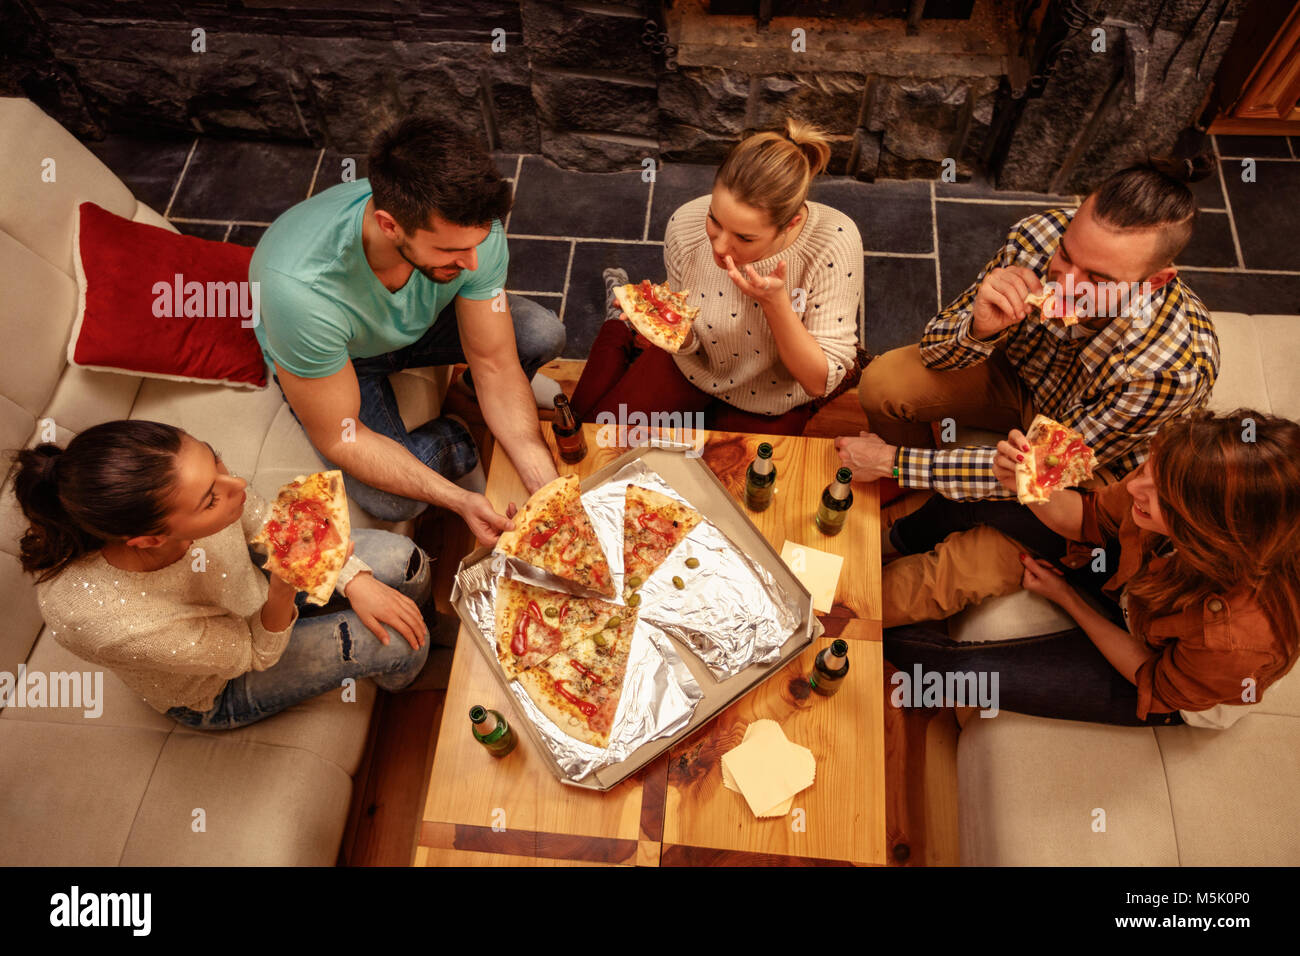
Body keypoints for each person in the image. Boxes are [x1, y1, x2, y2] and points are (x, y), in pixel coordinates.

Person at [836, 159, 1220, 512]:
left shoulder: (1169, 371)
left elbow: (1039, 469)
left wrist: (892, 462)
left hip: (1091, 452)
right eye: (1067, 255)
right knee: (884, 381)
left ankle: (919, 493)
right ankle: (914, 491)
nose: (1067, 286)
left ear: (1154, 282)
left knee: (991, 532)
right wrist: (978, 329)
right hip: (1023, 382)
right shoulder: (1038, 236)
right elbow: (934, 354)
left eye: (1099, 279)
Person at [251, 115, 566, 541]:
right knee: (397, 503)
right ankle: (458, 435)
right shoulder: (301, 292)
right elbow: (342, 436)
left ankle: (471, 397)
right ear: (389, 225)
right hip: (347, 359)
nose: (472, 263)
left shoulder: (470, 231)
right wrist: (457, 499)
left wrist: (541, 474)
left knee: (542, 334)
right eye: (451, 251)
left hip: (419, 323)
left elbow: (494, 361)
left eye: (476, 245)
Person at [11, 420, 443, 730]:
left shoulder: (170, 472)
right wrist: (283, 590)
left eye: (215, 459)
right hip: (223, 681)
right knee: (399, 640)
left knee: (406, 561)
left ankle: (429, 626)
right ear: (148, 540)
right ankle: (411, 678)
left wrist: (353, 579)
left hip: (256, 588)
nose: (236, 483)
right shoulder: (109, 622)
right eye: (210, 499)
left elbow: (259, 518)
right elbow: (255, 651)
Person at [880, 410, 1300, 727]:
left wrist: (1069, 600)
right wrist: (1025, 482)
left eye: (1159, 497)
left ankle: (863, 633)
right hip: (1137, 589)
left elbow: (1156, 681)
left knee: (962, 675)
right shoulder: (1177, 480)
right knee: (983, 497)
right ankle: (887, 544)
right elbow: (1091, 516)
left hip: (1156, 672)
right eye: (1148, 471)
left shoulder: (1238, 637)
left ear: (1210, 533)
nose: (1135, 487)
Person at [569, 118, 862, 437]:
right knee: (600, 437)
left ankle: (620, 330)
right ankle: (622, 325)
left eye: (745, 238)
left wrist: (774, 305)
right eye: (715, 219)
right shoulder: (685, 226)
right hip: (694, 368)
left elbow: (818, 381)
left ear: (790, 224)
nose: (720, 247)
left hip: (772, 396)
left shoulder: (835, 242)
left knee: (727, 483)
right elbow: (691, 339)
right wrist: (672, 328)